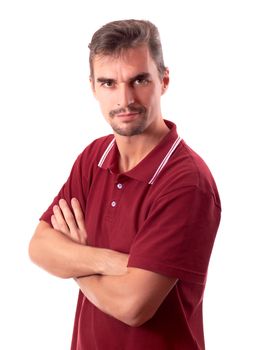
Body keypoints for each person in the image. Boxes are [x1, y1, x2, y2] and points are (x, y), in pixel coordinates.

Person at [29, 19, 221, 350]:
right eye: (108, 83)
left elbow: (133, 307)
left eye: (139, 80)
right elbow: (40, 247)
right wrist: (110, 261)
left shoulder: (187, 184)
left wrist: (75, 262)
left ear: (164, 80)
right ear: (92, 87)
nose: (125, 99)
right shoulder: (95, 157)